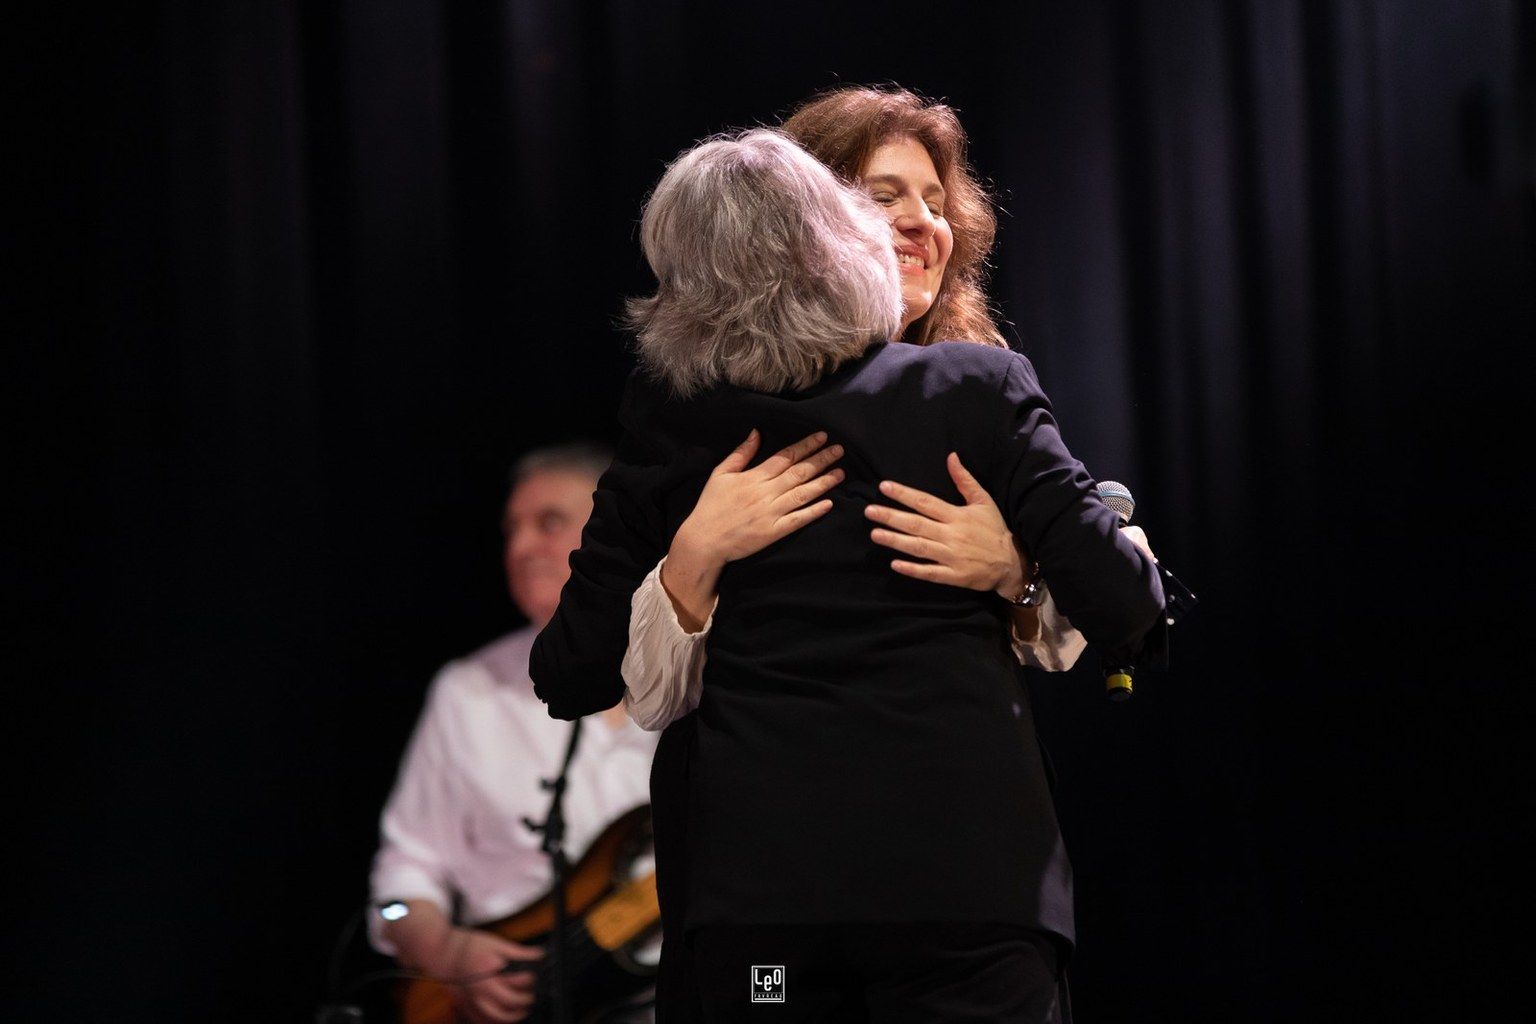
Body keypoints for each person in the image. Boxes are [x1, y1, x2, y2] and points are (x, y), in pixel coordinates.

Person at [530, 130, 1165, 1022]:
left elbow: (566, 670)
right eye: (883, 199)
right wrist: (693, 555)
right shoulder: (980, 389)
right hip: (964, 900)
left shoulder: (684, 419)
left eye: (935, 203)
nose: (916, 225)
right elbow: (1132, 605)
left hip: (765, 910)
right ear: (828, 232)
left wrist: (1014, 570)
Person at [369, 443, 660, 1024]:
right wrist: (443, 949)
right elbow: (400, 882)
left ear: (619, 530)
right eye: (511, 530)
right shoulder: (468, 692)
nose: (519, 548)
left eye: (548, 523)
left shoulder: (703, 673)